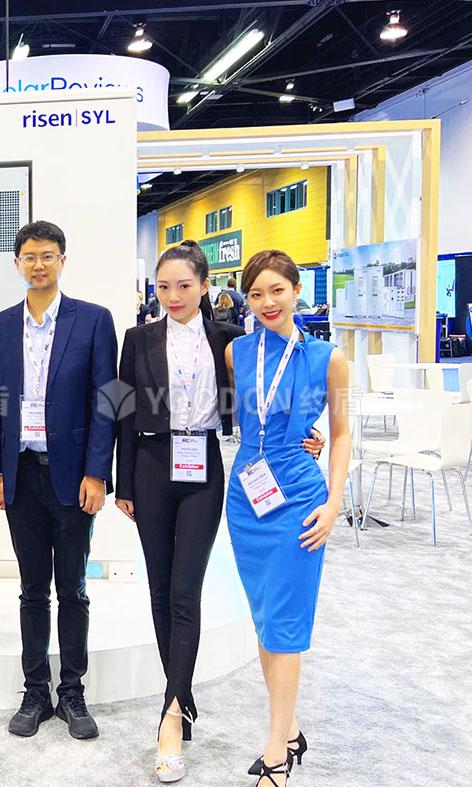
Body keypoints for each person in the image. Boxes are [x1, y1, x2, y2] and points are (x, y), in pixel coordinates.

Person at [115, 242, 325, 784]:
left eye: (184, 285)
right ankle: (181, 700)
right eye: (163, 287)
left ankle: (170, 716)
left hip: (204, 469)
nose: (173, 296)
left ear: (205, 286)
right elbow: (122, 411)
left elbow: (267, 398)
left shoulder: (230, 341)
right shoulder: (136, 339)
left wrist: (308, 433)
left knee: (185, 592)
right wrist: (123, 482)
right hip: (151, 467)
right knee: (159, 590)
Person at [0, 220, 117, 740]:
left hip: (73, 478)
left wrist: (97, 473)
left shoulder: (93, 320)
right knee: (31, 590)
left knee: (74, 590)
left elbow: (107, 402)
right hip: (21, 474)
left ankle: (72, 691)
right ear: (17, 263)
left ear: (63, 260)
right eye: (29, 256)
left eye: (47, 255)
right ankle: (36, 691)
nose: (38, 264)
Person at [225, 250, 350, 787]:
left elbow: (340, 433)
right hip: (246, 495)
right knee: (264, 617)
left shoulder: (329, 358)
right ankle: (291, 727)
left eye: (277, 290)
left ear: (297, 290)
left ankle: (276, 751)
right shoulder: (236, 351)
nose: (267, 302)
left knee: (286, 622)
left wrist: (335, 501)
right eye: (256, 294)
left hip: (299, 498)